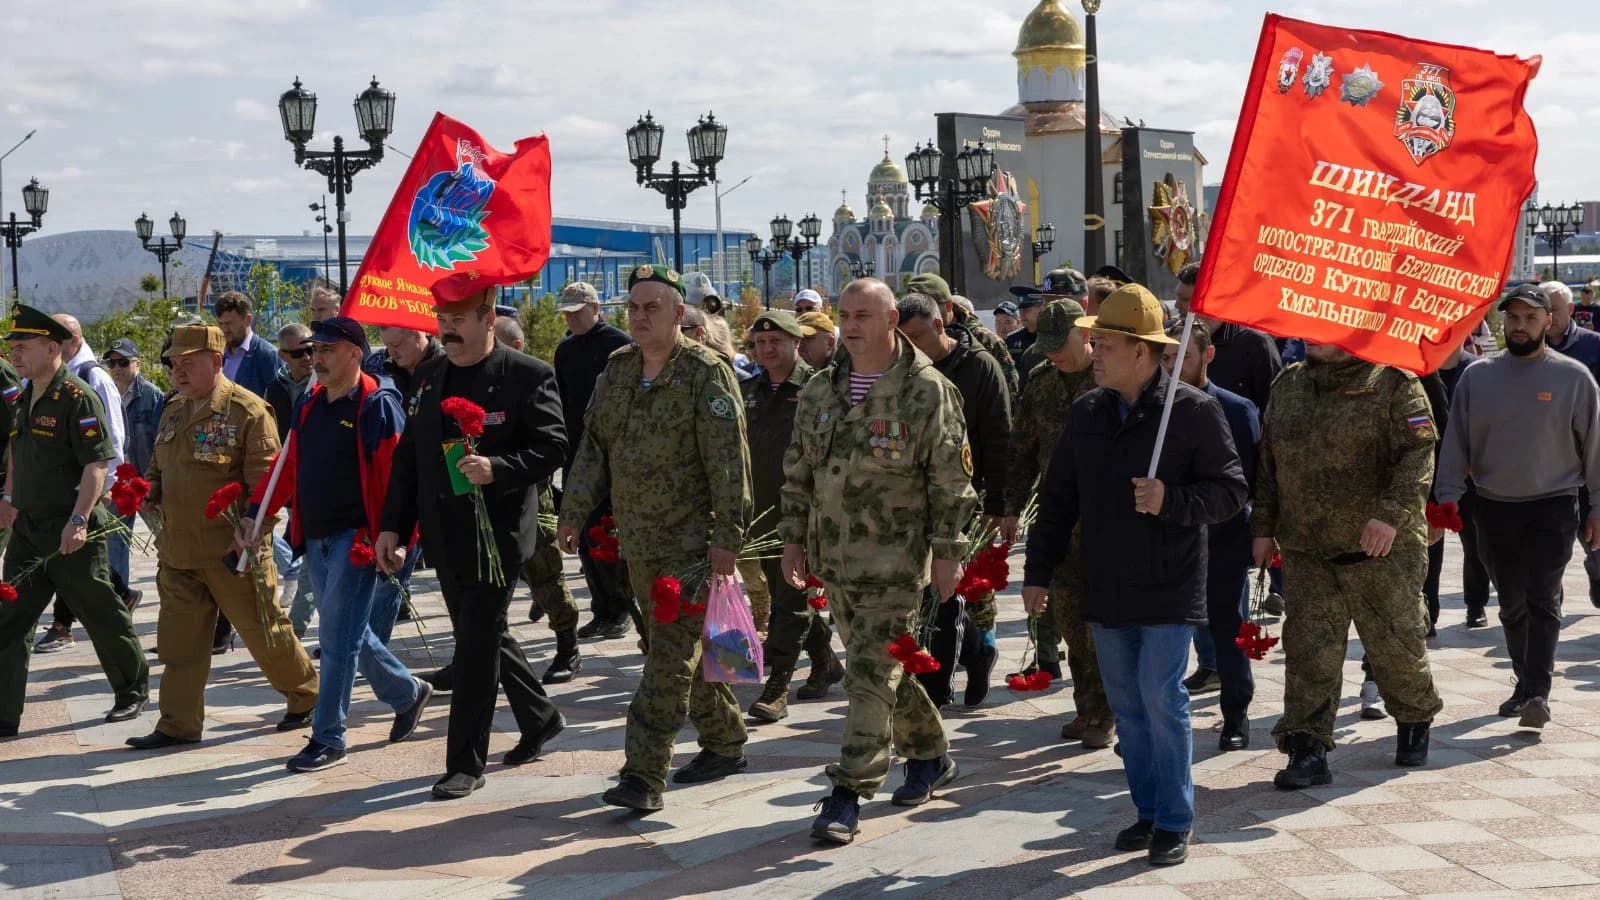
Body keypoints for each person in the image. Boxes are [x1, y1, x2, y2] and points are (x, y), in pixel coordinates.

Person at [1023, 284, 1246, 867]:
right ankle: (1146, 812)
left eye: (1106, 343)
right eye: (1093, 342)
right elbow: (1058, 499)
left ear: (1144, 351)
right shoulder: (1086, 413)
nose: (1093, 352)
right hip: (1105, 583)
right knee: (1127, 707)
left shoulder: (1193, 411)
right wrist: (1038, 571)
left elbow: (1230, 492)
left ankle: (1175, 819)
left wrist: (1171, 499)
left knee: (1160, 697)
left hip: (1171, 584)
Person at [782, 278, 976, 843]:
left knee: (866, 675)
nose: (849, 325)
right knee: (881, 666)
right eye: (843, 314)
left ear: (891, 320)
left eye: (863, 315)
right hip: (836, 559)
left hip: (896, 561)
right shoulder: (821, 391)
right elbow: (799, 471)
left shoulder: (928, 392)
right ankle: (931, 753)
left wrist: (948, 554)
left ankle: (847, 793)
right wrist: (793, 538)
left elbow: (950, 482)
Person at [557, 264, 752, 812]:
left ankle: (643, 775)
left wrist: (726, 536)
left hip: (690, 545)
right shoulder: (617, 370)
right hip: (637, 542)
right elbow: (593, 447)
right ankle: (725, 741)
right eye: (634, 308)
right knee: (676, 652)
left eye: (653, 308)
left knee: (665, 661)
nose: (641, 317)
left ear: (677, 313)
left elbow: (729, 463)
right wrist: (572, 513)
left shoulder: (705, 373)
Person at [377, 285, 568, 799]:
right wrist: (393, 526)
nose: (447, 329)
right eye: (442, 318)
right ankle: (541, 717)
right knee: (485, 634)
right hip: (445, 534)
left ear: (487, 318)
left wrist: (498, 469)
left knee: (475, 647)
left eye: (458, 318)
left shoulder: (528, 374)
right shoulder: (429, 375)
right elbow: (409, 460)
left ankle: (464, 761)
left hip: (498, 538)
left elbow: (553, 445)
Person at [242, 317, 431, 772]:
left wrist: (401, 538)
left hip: (360, 538)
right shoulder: (309, 403)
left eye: (325, 350)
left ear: (354, 352)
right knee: (347, 631)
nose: (316, 359)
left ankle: (329, 736)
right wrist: (257, 512)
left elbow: (399, 479)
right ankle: (408, 692)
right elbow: (288, 466)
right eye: (312, 351)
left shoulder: (377, 403)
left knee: (336, 640)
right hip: (317, 535)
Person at [1253, 339, 1443, 787]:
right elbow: (1268, 464)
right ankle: (1306, 747)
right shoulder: (1288, 385)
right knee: (1307, 652)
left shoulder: (1394, 382)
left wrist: (1392, 515)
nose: (1314, 336)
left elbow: (1418, 454)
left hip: (1380, 551)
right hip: (1306, 549)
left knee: (1395, 645)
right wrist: (1262, 527)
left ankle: (1414, 717)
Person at [125, 325, 319, 750]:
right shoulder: (174, 408)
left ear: (215, 361)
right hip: (179, 552)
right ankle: (178, 724)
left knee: (264, 633)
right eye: (174, 364)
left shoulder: (247, 411)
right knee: (179, 647)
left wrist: (253, 533)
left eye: (188, 363)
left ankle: (306, 696)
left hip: (232, 553)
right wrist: (147, 489)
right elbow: (160, 465)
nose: (179, 371)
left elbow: (267, 486)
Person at [1437, 284, 1600, 731]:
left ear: (1550, 321)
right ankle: (1525, 684)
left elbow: (1595, 450)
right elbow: (1456, 441)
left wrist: (1598, 508)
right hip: (1493, 506)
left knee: (1543, 597)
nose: (1520, 326)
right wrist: (1447, 496)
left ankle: (1537, 693)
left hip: (1554, 504)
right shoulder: (1477, 377)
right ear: (1501, 322)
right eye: (1512, 318)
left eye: (1530, 318)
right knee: (1510, 602)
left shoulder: (1573, 377)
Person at [0, 306, 150, 740]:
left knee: (100, 612)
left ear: (53, 348)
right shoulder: (26, 394)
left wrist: (80, 520)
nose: (16, 355)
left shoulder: (77, 396)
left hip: (71, 530)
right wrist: (9, 498)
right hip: (29, 529)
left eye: (23, 347)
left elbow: (97, 465)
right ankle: (5, 713)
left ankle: (132, 689)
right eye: (12, 347)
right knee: (11, 618)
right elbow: (18, 453)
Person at [1006, 300, 1114, 748]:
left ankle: (1110, 709)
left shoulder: (1112, 381)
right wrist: (1010, 506)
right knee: (1071, 621)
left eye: (1062, 345)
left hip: (1110, 526)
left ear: (1085, 336)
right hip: (1060, 523)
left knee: (1105, 624)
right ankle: (1089, 707)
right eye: (1046, 346)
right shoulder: (1041, 384)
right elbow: (1022, 450)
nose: (1054, 354)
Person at [896, 292, 1011, 707]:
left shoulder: (979, 367)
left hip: (966, 498)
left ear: (940, 326)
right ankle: (975, 654)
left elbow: (1000, 437)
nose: (910, 346)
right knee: (928, 595)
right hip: (913, 499)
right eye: (902, 338)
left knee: (947, 595)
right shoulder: (901, 370)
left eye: (917, 336)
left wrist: (999, 504)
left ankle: (937, 688)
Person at [1161, 321, 1261, 750]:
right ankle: (1157, 721)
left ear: (1208, 356)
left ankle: (1235, 716)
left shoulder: (1237, 410)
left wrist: (1263, 532)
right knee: (1163, 636)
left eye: (1181, 356)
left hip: (1223, 539)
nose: (1172, 366)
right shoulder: (1154, 409)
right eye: (1165, 357)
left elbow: (1253, 478)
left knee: (1228, 628)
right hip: (1168, 539)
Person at [743, 311, 843, 723]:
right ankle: (825, 662)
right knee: (789, 594)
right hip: (761, 511)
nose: (767, 349)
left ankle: (778, 683)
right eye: (760, 343)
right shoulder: (747, 389)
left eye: (776, 342)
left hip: (803, 510)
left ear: (796, 343)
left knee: (789, 597)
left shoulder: (820, 389)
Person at [486, 310, 581, 682]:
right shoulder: (476, 378)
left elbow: (551, 444)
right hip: (486, 498)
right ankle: (485, 655)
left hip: (529, 495)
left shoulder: (532, 377)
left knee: (545, 574)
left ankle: (567, 647)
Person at [33, 316, 133, 653]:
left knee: (89, 563)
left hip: (95, 489)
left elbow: (114, 439)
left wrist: (105, 489)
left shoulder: (93, 377)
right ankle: (120, 598)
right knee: (80, 562)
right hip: (69, 489)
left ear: (70, 340)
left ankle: (73, 625)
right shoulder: (57, 377)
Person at [553, 281, 634, 640]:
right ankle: (600, 608)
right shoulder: (565, 350)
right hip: (577, 454)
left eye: (577, 311)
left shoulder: (619, 345)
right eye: (566, 313)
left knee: (609, 535)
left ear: (595, 307)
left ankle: (620, 609)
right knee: (583, 536)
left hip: (613, 454)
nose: (571, 318)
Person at [1540, 281, 1600, 607]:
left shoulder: (1594, 346)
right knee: (1548, 551)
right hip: (1548, 467)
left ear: (1572, 310)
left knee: (1596, 541)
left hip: (1590, 462)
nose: (1550, 318)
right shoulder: (1529, 352)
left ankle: (1596, 572)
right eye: (1544, 311)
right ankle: (1551, 607)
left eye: (1556, 310)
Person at [1432, 337, 1491, 628]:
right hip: (1429, 471)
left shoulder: (1477, 370)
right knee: (1428, 545)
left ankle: (1475, 605)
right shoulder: (1419, 371)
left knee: (1475, 544)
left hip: (1470, 475)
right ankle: (1427, 614)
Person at [264, 323, 316, 637]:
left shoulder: (326, 383)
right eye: (299, 353)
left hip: (323, 483)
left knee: (312, 557)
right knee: (308, 555)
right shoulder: (276, 388)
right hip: (294, 484)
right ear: (283, 355)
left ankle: (295, 627)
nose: (308, 357)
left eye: (312, 349)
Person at [104, 338, 164, 608]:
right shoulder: (106, 393)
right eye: (112, 362)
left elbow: (161, 442)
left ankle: (178, 596)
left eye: (123, 362)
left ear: (137, 364)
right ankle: (119, 601)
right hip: (119, 484)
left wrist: (155, 481)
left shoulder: (152, 395)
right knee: (115, 541)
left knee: (166, 540)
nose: (117, 368)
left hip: (146, 482)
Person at [1175, 263, 1282, 412]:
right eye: (1177, 297)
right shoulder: (1172, 341)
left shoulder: (1255, 344)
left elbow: (1274, 409)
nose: (1176, 305)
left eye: (1185, 300)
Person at [906, 272, 1018, 396]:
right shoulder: (910, 337)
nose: (922, 315)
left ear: (948, 306)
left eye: (927, 308)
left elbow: (1008, 391)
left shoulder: (984, 340)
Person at [213, 291, 283, 400]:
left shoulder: (267, 355)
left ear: (247, 320)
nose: (224, 329)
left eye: (229, 323)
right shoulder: (216, 354)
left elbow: (278, 403)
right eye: (220, 324)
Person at [1005, 294, 1043, 358]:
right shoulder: (1012, 339)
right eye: (1020, 310)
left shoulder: (1052, 337)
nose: (1022, 314)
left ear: (1041, 309)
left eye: (1027, 310)